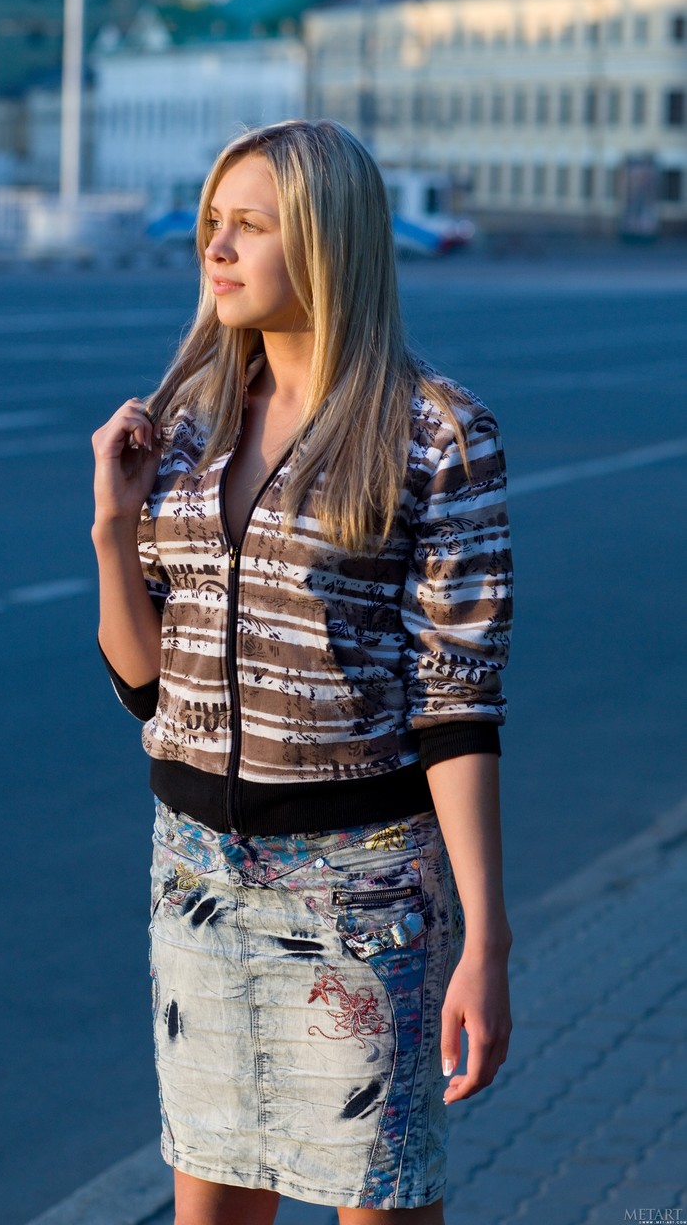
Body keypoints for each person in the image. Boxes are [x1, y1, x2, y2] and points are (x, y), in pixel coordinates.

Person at [91, 119, 513, 1225]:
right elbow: (145, 688)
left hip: (360, 892)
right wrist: (112, 530)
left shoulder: (436, 433)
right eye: (211, 223)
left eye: (251, 226)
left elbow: (457, 704)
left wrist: (486, 936)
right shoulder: (181, 426)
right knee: (211, 1209)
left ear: (327, 241)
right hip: (194, 880)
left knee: (378, 1205)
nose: (216, 249)